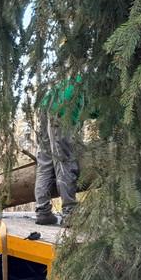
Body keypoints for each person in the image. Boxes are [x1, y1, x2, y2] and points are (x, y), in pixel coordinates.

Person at [34, 77, 83, 226]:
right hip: (60, 112)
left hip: (45, 108)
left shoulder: (87, 77)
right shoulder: (108, 83)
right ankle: (69, 213)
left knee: (45, 163)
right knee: (64, 162)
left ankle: (43, 213)